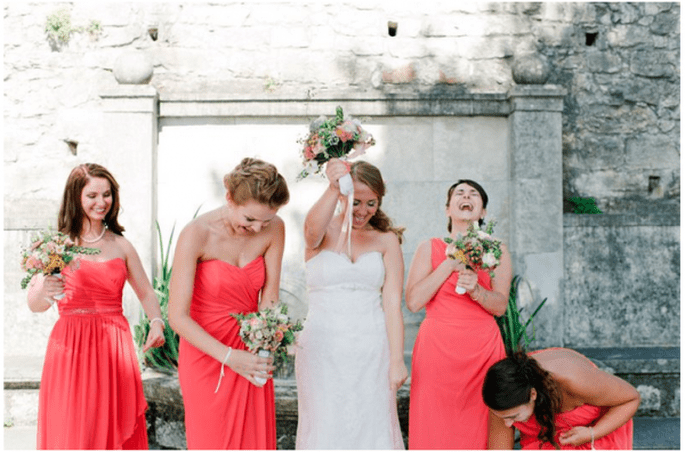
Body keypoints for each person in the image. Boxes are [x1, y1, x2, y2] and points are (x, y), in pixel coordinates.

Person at [27, 163, 165, 449]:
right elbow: (36, 304)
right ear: (75, 197)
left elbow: (147, 293)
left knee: (110, 421)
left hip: (114, 346)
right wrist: (44, 289)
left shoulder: (121, 246)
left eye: (107, 194)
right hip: (71, 345)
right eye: (92, 195)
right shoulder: (58, 246)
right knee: (74, 423)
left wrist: (156, 322)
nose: (101, 202)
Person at [168, 157, 290, 449]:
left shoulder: (275, 229)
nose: (259, 228)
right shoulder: (196, 234)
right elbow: (177, 316)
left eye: (267, 220)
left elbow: (270, 298)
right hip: (207, 354)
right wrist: (229, 357)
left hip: (252, 354)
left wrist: (266, 344)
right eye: (250, 219)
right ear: (230, 199)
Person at [295, 159, 407, 449]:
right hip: (322, 347)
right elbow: (310, 230)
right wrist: (334, 184)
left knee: (372, 425)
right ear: (343, 194)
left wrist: (396, 361)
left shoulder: (386, 240)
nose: (364, 211)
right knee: (325, 424)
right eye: (356, 201)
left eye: (372, 203)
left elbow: (393, 304)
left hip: (371, 349)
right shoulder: (320, 234)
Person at [405, 179, 512, 449]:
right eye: (459, 193)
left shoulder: (497, 249)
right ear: (447, 210)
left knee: (483, 420)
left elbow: (499, 306)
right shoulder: (428, 248)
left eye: (474, 194)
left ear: (483, 211)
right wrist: (449, 264)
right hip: (438, 349)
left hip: (482, 349)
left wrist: (477, 290)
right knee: (436, 423)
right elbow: (414, 302)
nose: (467, 196)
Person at [483, 348, 639, 449]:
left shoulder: (573, 381)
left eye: (514, 417)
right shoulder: (502, 399)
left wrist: (592, 433)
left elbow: (631, 398)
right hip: (546, 436)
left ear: (532, 395)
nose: (509, 424)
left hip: (595, 427)